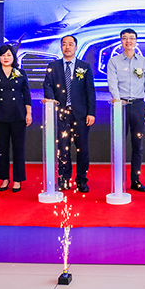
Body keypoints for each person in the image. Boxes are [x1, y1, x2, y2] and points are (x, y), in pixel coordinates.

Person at [43, 35, 96, 193]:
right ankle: (64, 179)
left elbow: (90, 92)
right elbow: (47, 85)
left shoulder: (84, 67)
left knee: (82, 149)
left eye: (70, 44)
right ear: (61, 47)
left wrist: (91, 113)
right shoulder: (53, 66)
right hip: (61, 114)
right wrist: (51, 100)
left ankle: (82, 180)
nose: (67, 47)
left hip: (80, 114)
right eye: (64, 44)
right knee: (63, 148)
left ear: (76, 47)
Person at [107, 28, 145, 192]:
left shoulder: (143, 62)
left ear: (136, 41)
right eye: (125, 38)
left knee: (137, 145)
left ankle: (136, 180)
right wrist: (118, 101)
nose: (128, 41)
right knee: (119, 144)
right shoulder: (114, 61)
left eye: (131, 38)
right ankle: (118, 180)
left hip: (139, 106)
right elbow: (112, 84)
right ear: (121, 41)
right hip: (121, 106)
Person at [0, 45, 32, 193]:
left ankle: (17, 179)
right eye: (3, 55)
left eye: (9, 55)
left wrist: (28, 113)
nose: (6, 58)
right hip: (0, 115)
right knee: (2, 149)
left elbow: (26, 95)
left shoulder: (20, 73)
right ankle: (4, 178)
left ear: (13, 57)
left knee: (18, 149)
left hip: (18, 115)